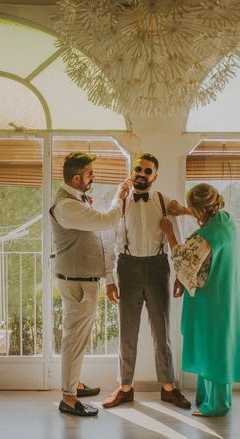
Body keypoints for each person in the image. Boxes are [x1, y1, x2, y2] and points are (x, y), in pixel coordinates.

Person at [102, 153, 191, 409]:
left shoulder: (165, 202)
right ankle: (125, 387)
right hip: (127, 267)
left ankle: (168, 387)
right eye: (138, 169)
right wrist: (109, 279)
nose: (141, 174)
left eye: (147, 171)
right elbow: (109, 242)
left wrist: (181, 277)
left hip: (158, 266)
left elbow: (179, 240)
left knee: (162, 331)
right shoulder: (119, 203)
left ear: (155, 175)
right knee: (127, 331)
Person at [160, 183, 240, 416]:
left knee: (213, 347)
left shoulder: (206, 236)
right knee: (218, 345)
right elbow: (206, 218)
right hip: (228, 290)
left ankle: (217, 405)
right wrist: (184, 211)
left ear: (200, 210)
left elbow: (182, 260)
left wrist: (169, 232)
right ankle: (208, 397)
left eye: (192, 208)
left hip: (213, 296)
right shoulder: (226, 220)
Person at [50, 152, 131, 417]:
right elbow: (108, 221)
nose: (93, 178)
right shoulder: (67, 206)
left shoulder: (78, 200)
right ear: (76, 178)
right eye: (90, 174)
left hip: (83, 280)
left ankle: (74, 384)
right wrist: (120, 196)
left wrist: (108, 277)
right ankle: (69, 398)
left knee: (78, 338)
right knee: (74, 340)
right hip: (77, 282)